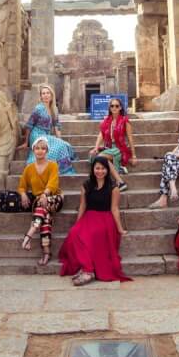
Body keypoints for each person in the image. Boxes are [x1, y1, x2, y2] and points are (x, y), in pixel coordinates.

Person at [59, 156, 131, 285]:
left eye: (103, 168)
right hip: (89, 217)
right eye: (97, 168)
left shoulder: (113, 188)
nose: (100, 171)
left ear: (108, 170)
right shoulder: (86, 185)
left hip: (105, 218)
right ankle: (86, 268)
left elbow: (114, 208)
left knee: (94, 235)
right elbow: (82, 205)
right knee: (74, 233)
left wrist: (119, 228)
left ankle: (88, 271)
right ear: (92, 169)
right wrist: (77, 223)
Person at [18, 137, 64, 265]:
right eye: (37, 148)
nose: (40, 151)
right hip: (40, 204)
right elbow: (21, 186)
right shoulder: (29, 168)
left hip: (54, 199)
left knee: (41, 204)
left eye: (43, 148)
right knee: (45, 220)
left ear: (47, 150)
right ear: (33, 150)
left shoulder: (53, 165)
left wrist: (44, 194)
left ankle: (28, 236)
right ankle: (46, 253)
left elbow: (53, 184)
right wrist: (23, 194)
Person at [22, 84, 77, 175]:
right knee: (55, 148)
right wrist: (26, 142)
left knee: (64, 145)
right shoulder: (38, 108)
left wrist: (59, 139)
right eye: (43, 93)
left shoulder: (54, 109)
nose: (46, 95)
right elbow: (29, 125)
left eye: (48, 93)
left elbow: (56, 125)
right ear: (41, 96)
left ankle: (57, 168)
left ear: (51, 95)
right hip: (36, 135)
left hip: (46, 135)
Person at [89, 97, 136, 191]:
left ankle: (121, 182)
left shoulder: (124, 120)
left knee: (100, 158)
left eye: (117, 106)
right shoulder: (107, 120)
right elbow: (101, 134)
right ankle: (117, 169)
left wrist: (133, 155)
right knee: (92, 156)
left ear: (120, 108)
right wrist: (96, 148)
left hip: (119, 149)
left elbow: (130, 138)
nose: (114, 108)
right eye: (112, 106)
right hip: (108, 148)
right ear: (109, 108)